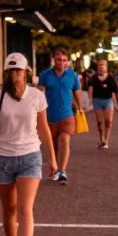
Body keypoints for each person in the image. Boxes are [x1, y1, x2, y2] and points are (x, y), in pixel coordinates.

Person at [0, 53, 57, 236]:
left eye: (19, 71)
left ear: (26, 72)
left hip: (30, 156)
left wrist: (52, 158)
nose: (15, 75)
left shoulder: (37, 96)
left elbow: (44, 128)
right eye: (11, 71)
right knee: (9, 210)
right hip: (1, 158)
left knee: (26, 208)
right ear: (5, 72)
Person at [37, 48, 81, 183]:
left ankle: (62, 171)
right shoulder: (45, 75)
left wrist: (80, 107)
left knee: (64, 140)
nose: (62, 63)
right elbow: (40, 94)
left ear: (67, 62)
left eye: (64, 60)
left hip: (67, 115)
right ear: (53, 60)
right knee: (54, 146)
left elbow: (77, 91)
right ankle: (55, 168)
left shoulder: (72, 76)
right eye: (59, 60)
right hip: (49, 116)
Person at [88, 59, 118, 148]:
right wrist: (90, 102)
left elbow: (114, 92)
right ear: (97, 67)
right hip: (97, 100)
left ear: (106, 67)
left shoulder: (110, 78)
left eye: (103, 65)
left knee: (108, 121)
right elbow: (90, 90)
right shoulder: (93, 78)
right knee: (99, 122)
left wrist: (116, 104)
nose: (101, 67)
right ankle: (102, 138)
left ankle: (106, 140)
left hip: (108, 100)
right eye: (99, 65)